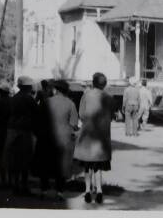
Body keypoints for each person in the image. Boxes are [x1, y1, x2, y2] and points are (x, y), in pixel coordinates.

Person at [34, 79, 80, 200]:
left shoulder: (46, 102)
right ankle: (60, 192)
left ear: (56, 89)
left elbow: (38, 119)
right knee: (62, 165)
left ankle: (44, 191)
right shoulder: (71, 104)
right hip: (64, 139)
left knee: (45, 164)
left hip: (47, 136)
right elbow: (74, 124)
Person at [74, 72, 115, 205]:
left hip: (87, 134)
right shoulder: (109, 97)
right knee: (98, 165)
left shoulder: (86, 95)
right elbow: (113, 114)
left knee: (87, 165)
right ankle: (99, 191)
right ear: (105, 84)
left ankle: (87, 191)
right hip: (102, 136)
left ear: (93, 82)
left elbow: (81, 114)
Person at [4, 77, 38, 196]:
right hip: (25, 131)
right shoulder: (29, 99)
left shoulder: (13, 98)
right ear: (28, 87)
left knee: (14, 159)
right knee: (24, 160)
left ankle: (15, 185)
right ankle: (23, 187)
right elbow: (37, 114)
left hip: (12, 130)